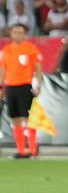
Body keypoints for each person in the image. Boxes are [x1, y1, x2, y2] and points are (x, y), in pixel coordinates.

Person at [1, 24, 43, 158]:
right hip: (10, 87)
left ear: (24, 35)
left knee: (28, 118)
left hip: (25, 86)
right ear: (11, 34)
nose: (17, 35)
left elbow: (38, 68)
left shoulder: (30, 49)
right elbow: (3, 69)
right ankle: (21, 150)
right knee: (14, 118)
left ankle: (32, 148)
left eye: (20, 32)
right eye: (15, 32)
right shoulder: (6, 50)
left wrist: (38, 85)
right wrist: (1, 86)